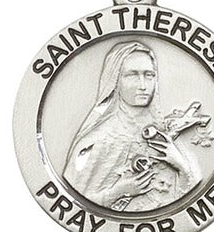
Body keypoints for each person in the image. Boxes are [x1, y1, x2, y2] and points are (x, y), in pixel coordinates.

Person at [63, 41, 200, 212]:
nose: (142, 85)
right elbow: (71, 203)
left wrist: (180, 165)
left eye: (149, 75)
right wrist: (117, 192)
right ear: (115, 80)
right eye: (132, 75)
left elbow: (190, 197)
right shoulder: (97, 141)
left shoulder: (162, 137)